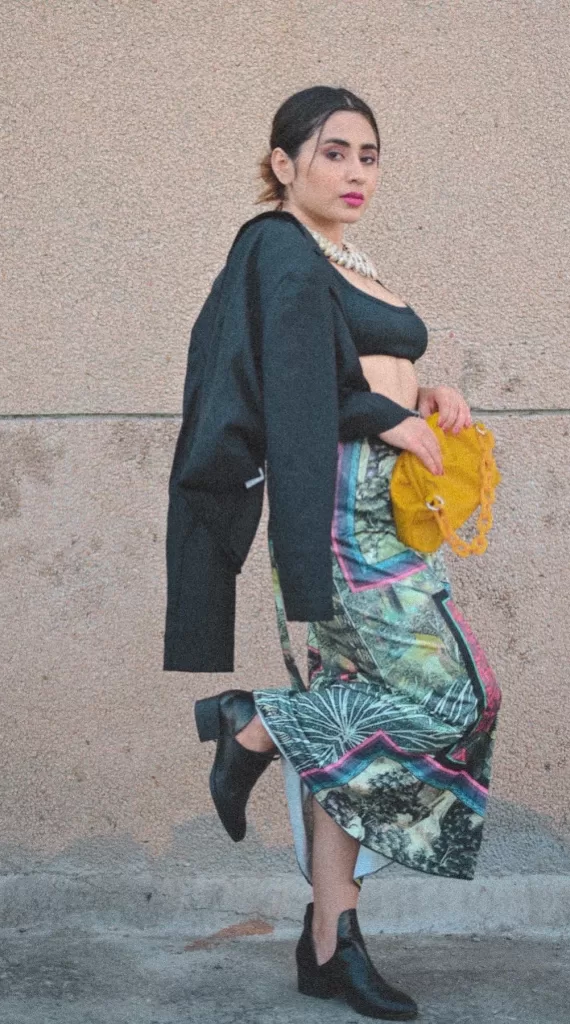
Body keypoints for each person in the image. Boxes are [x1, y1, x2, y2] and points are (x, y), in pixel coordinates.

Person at [165, 85, 502, 1022]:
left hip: (387, 508)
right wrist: (386, 413)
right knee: (452, 693)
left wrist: (425, 394)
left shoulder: (340, 255)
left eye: (369, 154)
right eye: (333, 153)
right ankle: (252, 724)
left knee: (344, 728)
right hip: (341, 512)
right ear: (283, 163)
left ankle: (330, 945)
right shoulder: (276, 241)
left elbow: (346, 368)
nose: (356, 171)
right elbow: (298, 384)